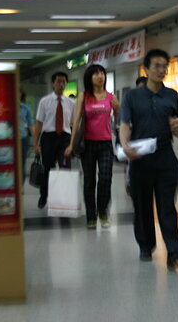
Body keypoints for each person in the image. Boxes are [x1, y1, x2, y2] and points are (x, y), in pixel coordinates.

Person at [120, 49, 178, 270]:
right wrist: (125, 145)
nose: (161, 70)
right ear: (146, 69)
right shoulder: (131, 97)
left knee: (167, 206)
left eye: (164, 66)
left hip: (166, 157)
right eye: (156, 66)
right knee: (143, 206)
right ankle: (146, 245)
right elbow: (125, 124)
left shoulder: (171, 96)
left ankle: (174, 250)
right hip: (140, 159)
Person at [66, 64, 119, 228]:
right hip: (87, 144)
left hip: (105, 144)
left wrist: (125, 138)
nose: (99, 76)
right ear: (89, 78)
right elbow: (77, 121)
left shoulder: (112, 97)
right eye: (95, 74)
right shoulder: (83, 96)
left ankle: (102, 211)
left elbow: (120, 120)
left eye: (102, 73)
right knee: (89, 181)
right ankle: (91, 216)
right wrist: (71, 144)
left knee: (105, 178)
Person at [33, 72, 75, 209]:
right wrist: (35, 144)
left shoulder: (70, 103)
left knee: (65, 168)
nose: (61, 84)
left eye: (64, 82)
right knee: (48, 169)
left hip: (64, 138)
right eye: (59, 82)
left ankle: (62, 199)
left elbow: (73, 125)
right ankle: (44, 195)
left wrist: (72, 143)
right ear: (53, 83)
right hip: (49, 138)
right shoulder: (44, 102)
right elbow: (38, 124)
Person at [125, 75, 149, 196]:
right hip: (135, 139)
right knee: (133, 163)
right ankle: (130, 183)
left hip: (149, 141)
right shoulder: (131, 102)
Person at [19, 91, 33, 182]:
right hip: (8, 139)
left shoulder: (25, 108)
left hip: (22, 137)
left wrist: (35, 142)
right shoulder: (5, 106)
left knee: (21, 163)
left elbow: (30, 125)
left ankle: (21, 186)